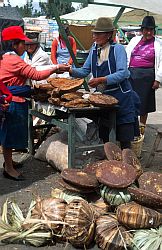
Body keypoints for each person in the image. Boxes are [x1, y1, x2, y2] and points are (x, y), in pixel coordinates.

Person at [0, 25, 70, 181]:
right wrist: (56, 67)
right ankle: (9, 169)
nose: (25, 46)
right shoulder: (12, 60)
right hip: (13, 101)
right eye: (23, 43)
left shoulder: (5, 57)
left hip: (7, 98)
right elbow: (36, 75)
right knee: (10, 135)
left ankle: (8, 162)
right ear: (14, 44)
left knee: (7, 134)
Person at [64, 17, 140, 149]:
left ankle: (128, 164)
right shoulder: (94, 49)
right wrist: (70, 70)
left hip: (121, 96)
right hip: (104, 98)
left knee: (124, 137)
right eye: (94, 33)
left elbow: (123, 73)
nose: (94, 36)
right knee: (106, 134)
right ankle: (110, 163)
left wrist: (102, 79)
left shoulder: (118, 49)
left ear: (109, 34)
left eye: (98, 34)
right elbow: (85, 71)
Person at [126, 16, 162, 134]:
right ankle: (132, 128)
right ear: (142, 30)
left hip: (147, 77)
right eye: (146, 29)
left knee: (144, 105)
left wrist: (158, 79)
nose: (148, 32)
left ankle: (141, 129)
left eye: (151, 30)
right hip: (131, 75)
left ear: (154, 31)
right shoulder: (134, 40)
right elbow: (127, 56)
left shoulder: (158, 43)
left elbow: (161, 62)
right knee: (130, 103)